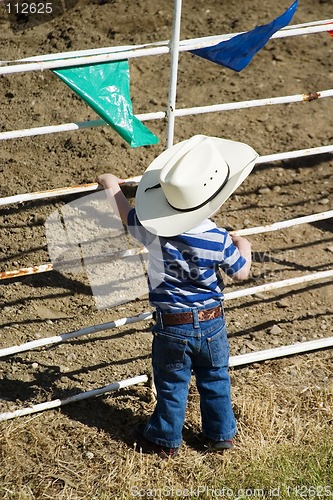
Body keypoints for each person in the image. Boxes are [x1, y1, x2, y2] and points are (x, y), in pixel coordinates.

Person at [96, 134, 258, 458]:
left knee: (172, 385)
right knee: (215, 379)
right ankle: (221, 435)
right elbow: (241, 272)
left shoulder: (155, 231)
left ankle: (164, 439)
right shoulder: (218, 238)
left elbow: (127, 217)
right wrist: (245, 245)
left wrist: (111, 184)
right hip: (213, 323)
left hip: (172, 324)